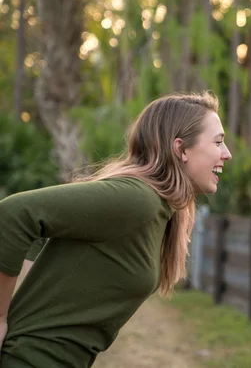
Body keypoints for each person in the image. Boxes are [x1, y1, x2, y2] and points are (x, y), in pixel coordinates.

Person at [0, 91, 232, 367]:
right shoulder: (137, 199)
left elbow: (50, 238)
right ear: (181, 149)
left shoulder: (160, 210)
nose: (227, 154)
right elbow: (13, 214)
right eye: (218, 142)